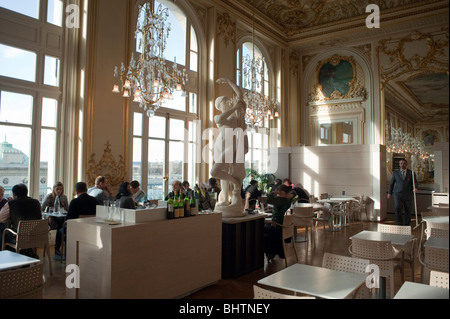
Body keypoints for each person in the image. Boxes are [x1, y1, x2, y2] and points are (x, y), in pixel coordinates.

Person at [210, 78, 248, 214]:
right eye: (225, 101)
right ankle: (225, 198)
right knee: (219, 173)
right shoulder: (218, 117)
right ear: (219, 105)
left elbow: (240, 94)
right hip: (221, 146)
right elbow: (220, 119)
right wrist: (234, 107)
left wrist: (228, 81)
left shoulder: (235, 117)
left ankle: (235, 188)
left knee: (222, 172)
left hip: (232, 147)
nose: (228, 102)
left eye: (227, 100)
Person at [0, 184, 42, 252]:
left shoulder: (11, 204)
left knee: (3, 232)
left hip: (19, 238)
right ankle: (27, 252)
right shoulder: (36, 202)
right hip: (37, 237)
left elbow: (1, 219)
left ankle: (11, 257)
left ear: (14, 194)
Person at [264, 185, 295, 261]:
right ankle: (271, 252)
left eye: (279, 191)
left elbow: (268, 200)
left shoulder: (280, 200)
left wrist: (272, 192)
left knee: (262, 230)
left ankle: (269, 251)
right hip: (284, 227)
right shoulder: (288, 199)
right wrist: (290, 194)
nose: (278, 193)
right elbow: (294, 191)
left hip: (278, 226)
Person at [41, 182, 70, 256]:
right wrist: (49, 216)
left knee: (62, 224)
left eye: (61, 189)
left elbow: (67, 209)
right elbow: (42, 209)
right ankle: (57, 247)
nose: (59, 191)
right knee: (60, 226)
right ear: (54, 189)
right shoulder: (49, 197)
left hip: (60, 217)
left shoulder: (64, 197)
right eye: (57, 189)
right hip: (50, 218)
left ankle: (61, 246)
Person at [387, 158, 419, 226]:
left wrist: (415, 187)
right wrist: (389, 192)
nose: (402, 165)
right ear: (399, 164)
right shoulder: (395, 173)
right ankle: (399, 223)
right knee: (397, 208)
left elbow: (415, 182)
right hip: (397, 193)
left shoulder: (411, 173)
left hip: (407, 193)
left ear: (406, 164)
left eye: (404, 163)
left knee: (408, 209)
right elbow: (391, 183)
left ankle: (407, 224)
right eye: (401, 163)